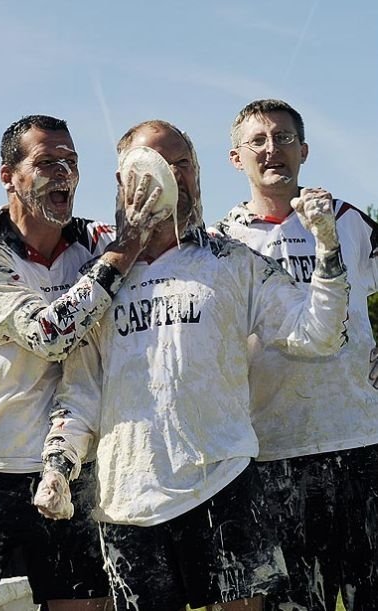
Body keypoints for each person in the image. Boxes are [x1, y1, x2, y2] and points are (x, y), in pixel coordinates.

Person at [34, 119, 350, 611]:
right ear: (124, 180)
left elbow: (317, 334)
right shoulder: (97, 277)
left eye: (184, 163)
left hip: (222, 482)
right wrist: (59, 464)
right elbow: (81, 393)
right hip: (128, 501)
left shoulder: (230, 261)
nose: (174, 176)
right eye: (158, 164)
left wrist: (328, 247)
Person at [0, 114, 166, 611]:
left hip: (71, 469)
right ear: (8, 175)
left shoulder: (95, 241)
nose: (63, 174)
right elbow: (48, 335)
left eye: (72, 163)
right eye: (46, 162)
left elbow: (172, 250)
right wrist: (122, 254)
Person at [212, 98, 378, 611]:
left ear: (303, 150)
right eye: (257, 141)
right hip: (273, 449)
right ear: (236, 158)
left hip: (359, 439)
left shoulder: (347, 220)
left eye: (283, 138)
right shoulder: (224, 242)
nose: (272, 149)